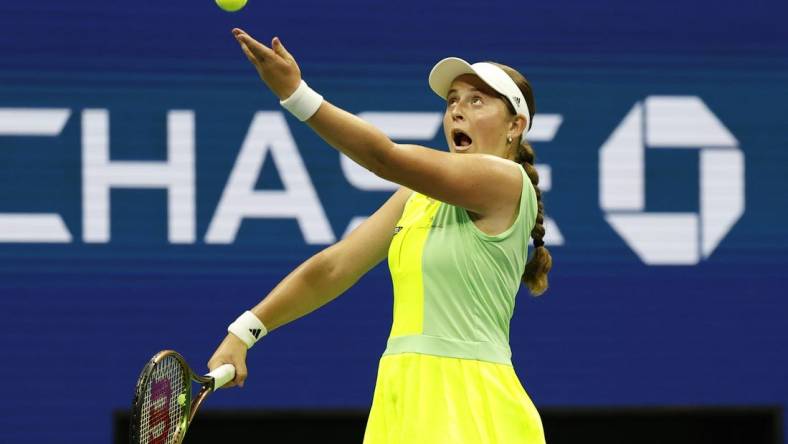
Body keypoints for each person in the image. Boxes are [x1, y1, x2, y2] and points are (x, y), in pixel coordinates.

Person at [208, 27, 553, 444]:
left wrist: (296, 94)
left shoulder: (507, 182)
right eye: (452, 101)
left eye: (476, 100)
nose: (457, 111)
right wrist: (243, 332)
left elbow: (383, 157)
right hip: (402, 398)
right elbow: (335, 267)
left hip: (472, 403)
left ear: (515, 125)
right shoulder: (415, 198)